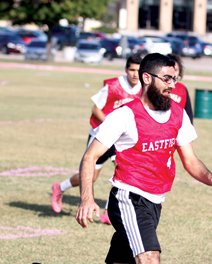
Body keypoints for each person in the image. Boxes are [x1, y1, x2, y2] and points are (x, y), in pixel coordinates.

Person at [27, 53, 212, 264]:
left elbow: (190, 160)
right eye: (167, 79)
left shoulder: (178, 114)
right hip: (129, 198)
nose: (173, 85)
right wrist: (87, 197)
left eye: (175, 79)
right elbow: (90, 158)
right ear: (147, 79)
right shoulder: (125, 116)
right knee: (149, 262)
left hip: (154, 203)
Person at [51, 54, 143, 225]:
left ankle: (109, 211)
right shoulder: (113, 85)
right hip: (101, 135)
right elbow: (96, 109)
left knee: (124, 171)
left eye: (138, 70)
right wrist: (110, 123)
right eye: (132, 70)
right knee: (90, 177)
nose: (135, 74)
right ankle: (60, 188)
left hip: (121, 140)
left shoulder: (143, 88)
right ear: (126, 69)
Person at [167, 54, 194, 123]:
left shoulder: (182, 88)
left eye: (175, 70)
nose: (173, 73)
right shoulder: (158, 87)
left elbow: (188, 114)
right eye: (170, 69)